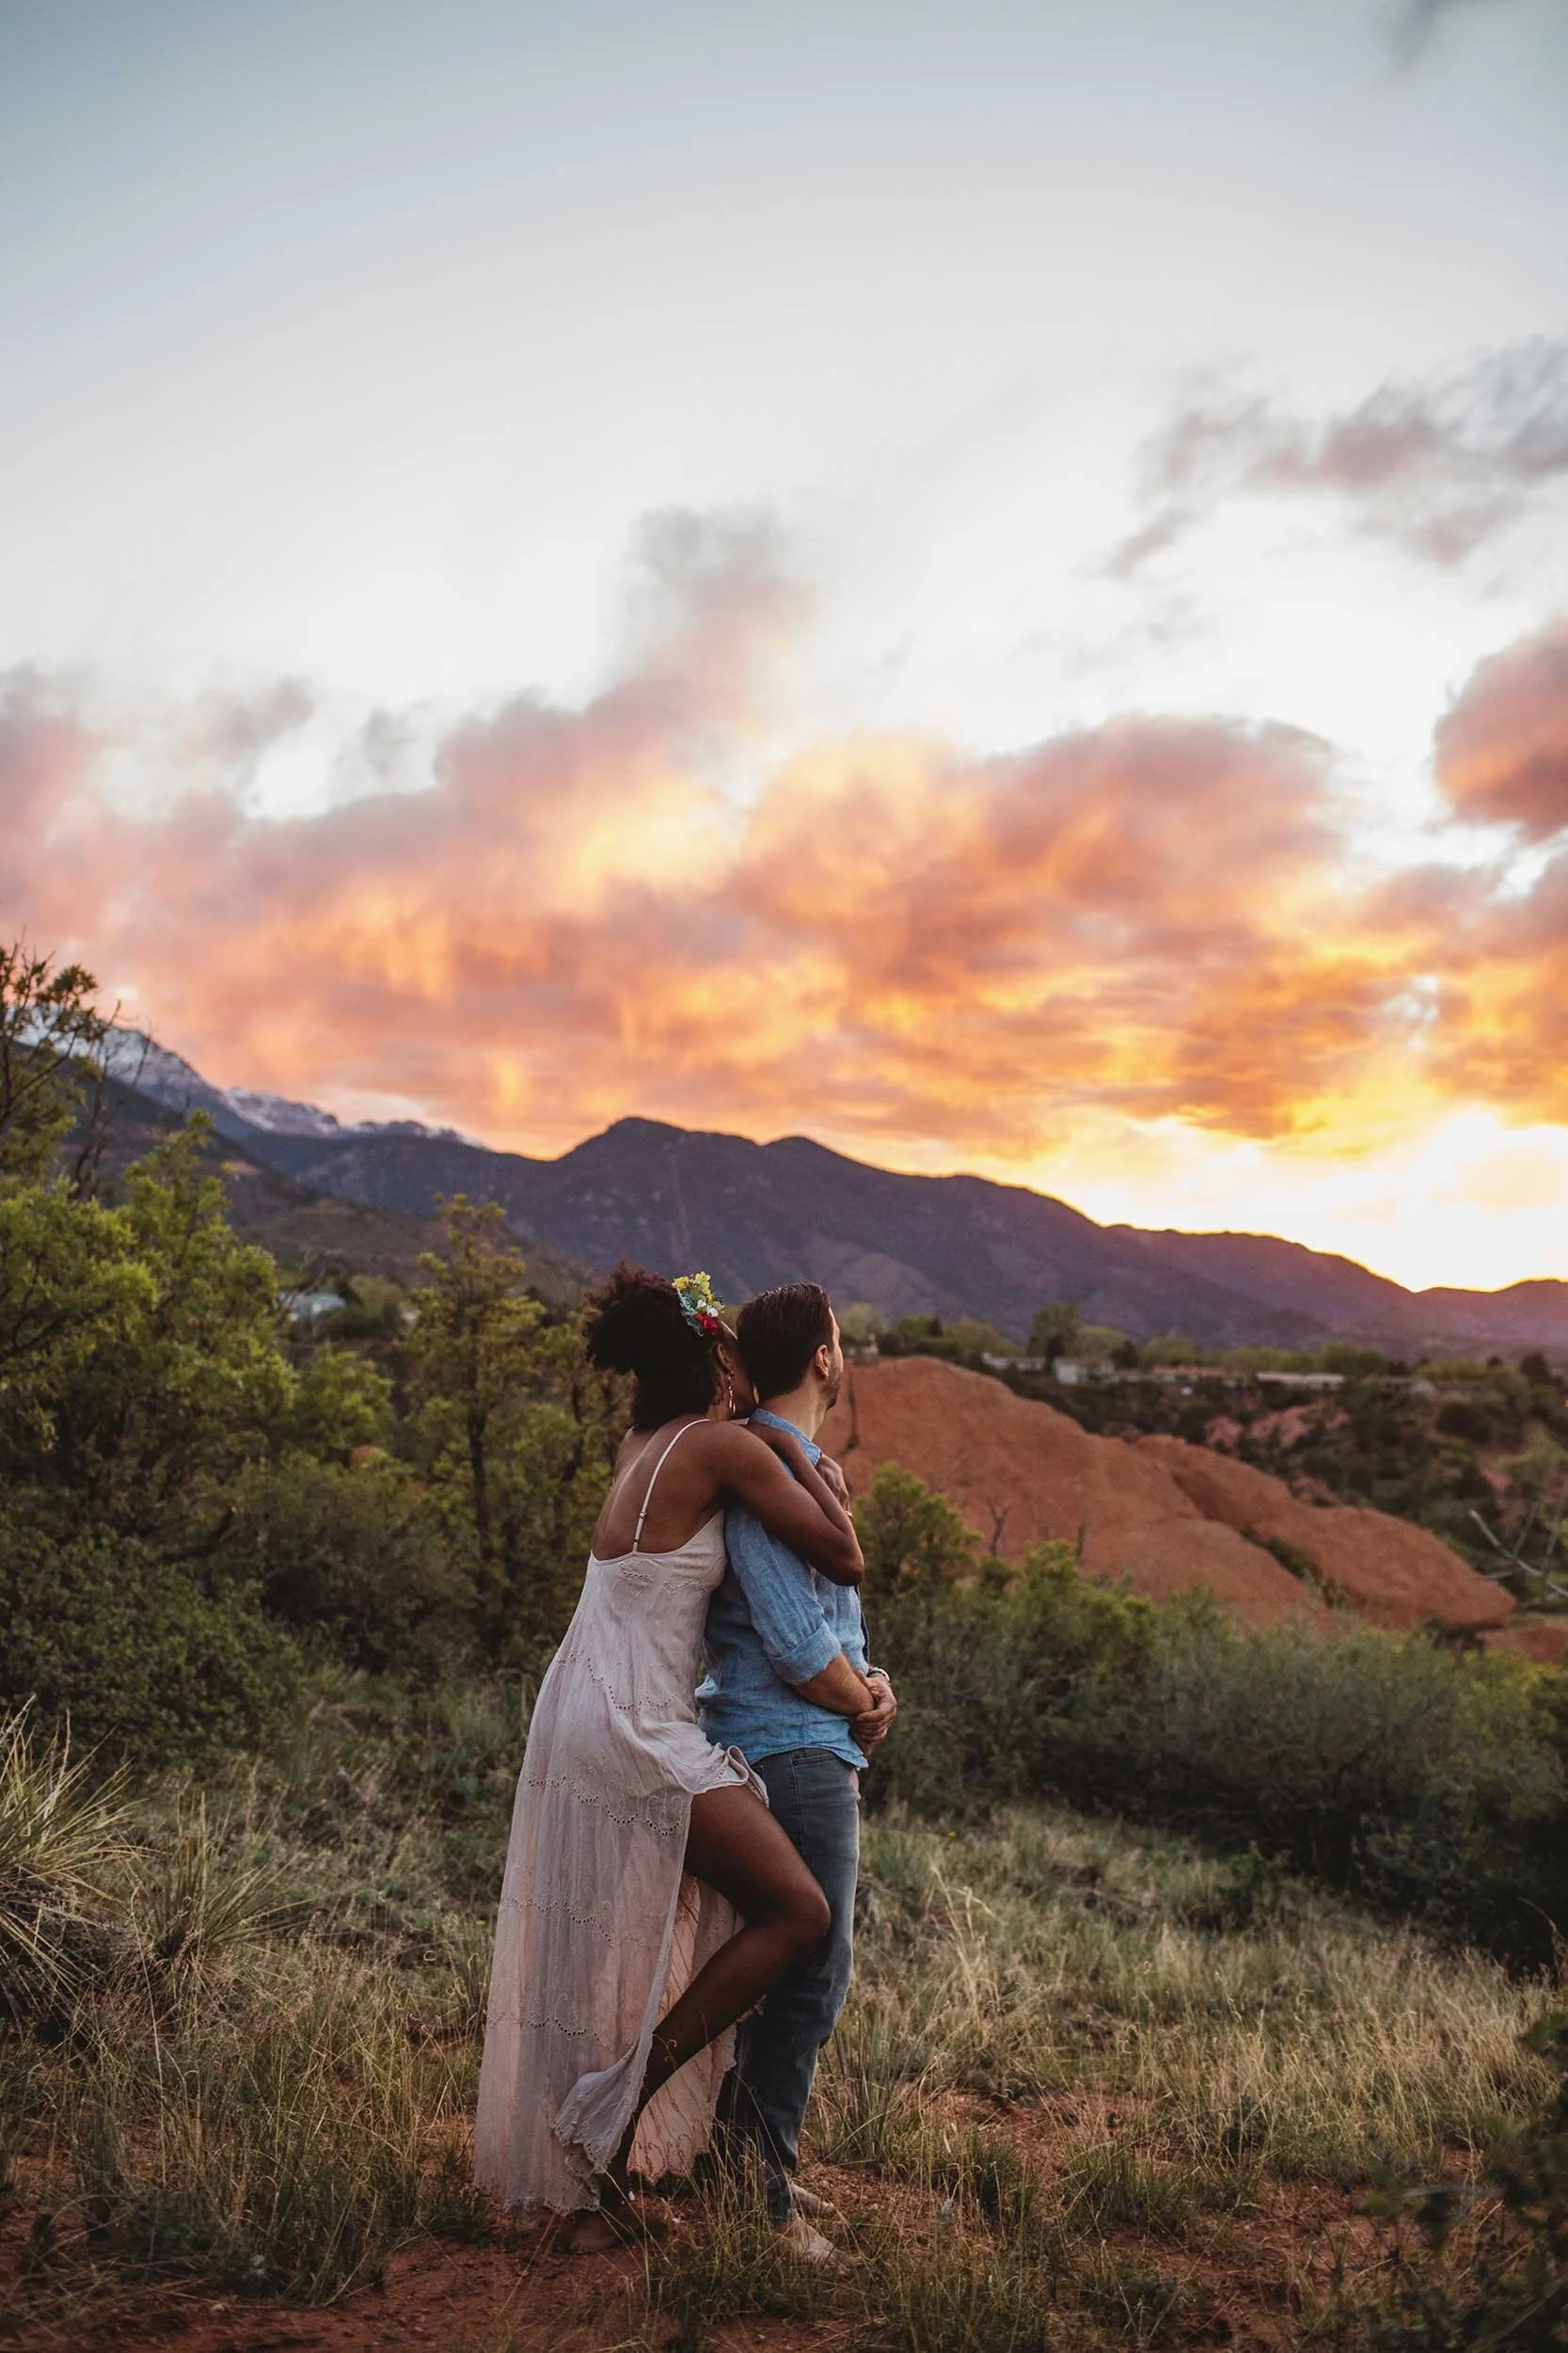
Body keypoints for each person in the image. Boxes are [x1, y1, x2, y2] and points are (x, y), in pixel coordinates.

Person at [474, 1262, 876, 2250]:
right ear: (709, 1354)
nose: (741, 1361)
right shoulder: (722, 1446)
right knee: (798, 1910)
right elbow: (844, 1555)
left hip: (581, 1706)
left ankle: (605, 2181)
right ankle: (623, 2102)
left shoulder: (642, 1441)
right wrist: (812, 1459)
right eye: (727, 1346)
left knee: (630, 1938)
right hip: (634, 1720)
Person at [697, 1281, 897, 2261]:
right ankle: (756, 2193)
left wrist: (874, 1680)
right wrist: (860, 1701)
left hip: (808, 1731)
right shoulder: (759, 1469)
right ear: (822, 1357)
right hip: (784, 1740)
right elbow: (786, 1637)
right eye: (839, 1338)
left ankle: (751, 2157)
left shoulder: (801, 1465)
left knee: (804, 1970)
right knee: (813, 1971)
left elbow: (830, 1626)